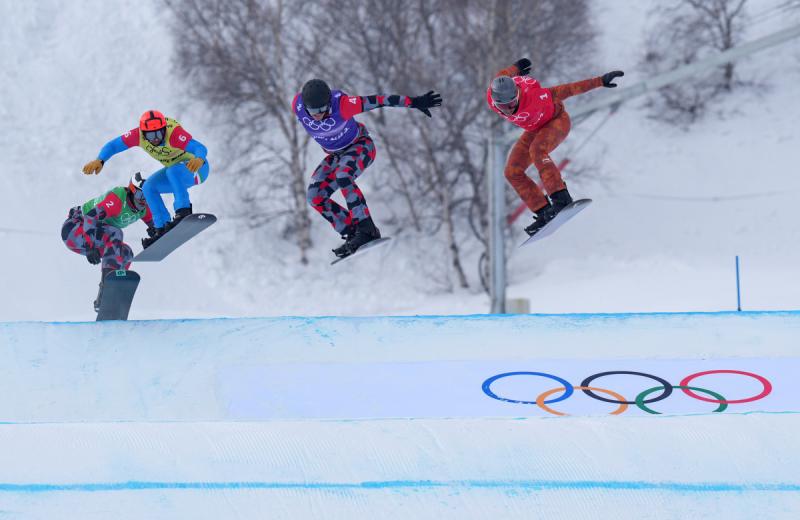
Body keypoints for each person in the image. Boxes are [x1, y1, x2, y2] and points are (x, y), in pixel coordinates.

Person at [293, 79, 442, 258]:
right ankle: (352, 232)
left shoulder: (343, 105)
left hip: (361, 146)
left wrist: (414, 102)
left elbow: (381, 100)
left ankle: (367, 230)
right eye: (312, 111)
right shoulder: (298, 106)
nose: (316, 115)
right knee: (314, 196)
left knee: (343, 175)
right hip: (336, 155)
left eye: (321, 110)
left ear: (328, 103)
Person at [487, 58, 624, 236]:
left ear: (517, 95)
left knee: (537, 151)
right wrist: (516, 67)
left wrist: (600, 81)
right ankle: (543, 212)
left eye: (512, 103)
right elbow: (503, 75)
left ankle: (561, 198)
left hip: (556, 121)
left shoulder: (534, 96)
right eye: (503, 107)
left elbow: (568, 89)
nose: (509, 109)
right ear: (495, 101)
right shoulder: (492, 97)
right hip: (534, 128)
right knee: (512, 172)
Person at [82, 110, 209, 248]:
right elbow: (114, 145)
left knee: (172, 171)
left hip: (196, 169)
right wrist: (100, 160)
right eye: (150, 135)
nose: (155, 138)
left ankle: (183, 211)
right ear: (143, 133)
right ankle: (162, 227)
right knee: (148, 187)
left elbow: (199, 147)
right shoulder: (138, 136)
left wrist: (199, 158)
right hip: (176, 174)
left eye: (159, 133)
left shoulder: (174, 134)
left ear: (164, 129)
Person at [61, 173, 154, 311]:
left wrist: (157, 234)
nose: (143, 201)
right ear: (132, 191)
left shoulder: (143, 209)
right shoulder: (118, 199)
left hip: (93, 234)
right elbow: (90, 217)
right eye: (141, 196)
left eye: (147, 197)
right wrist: (89, 246)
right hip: (75, 228)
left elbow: (156, 224)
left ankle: (111, 294)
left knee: (126, 254)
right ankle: (106, 289)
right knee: (116, 233)